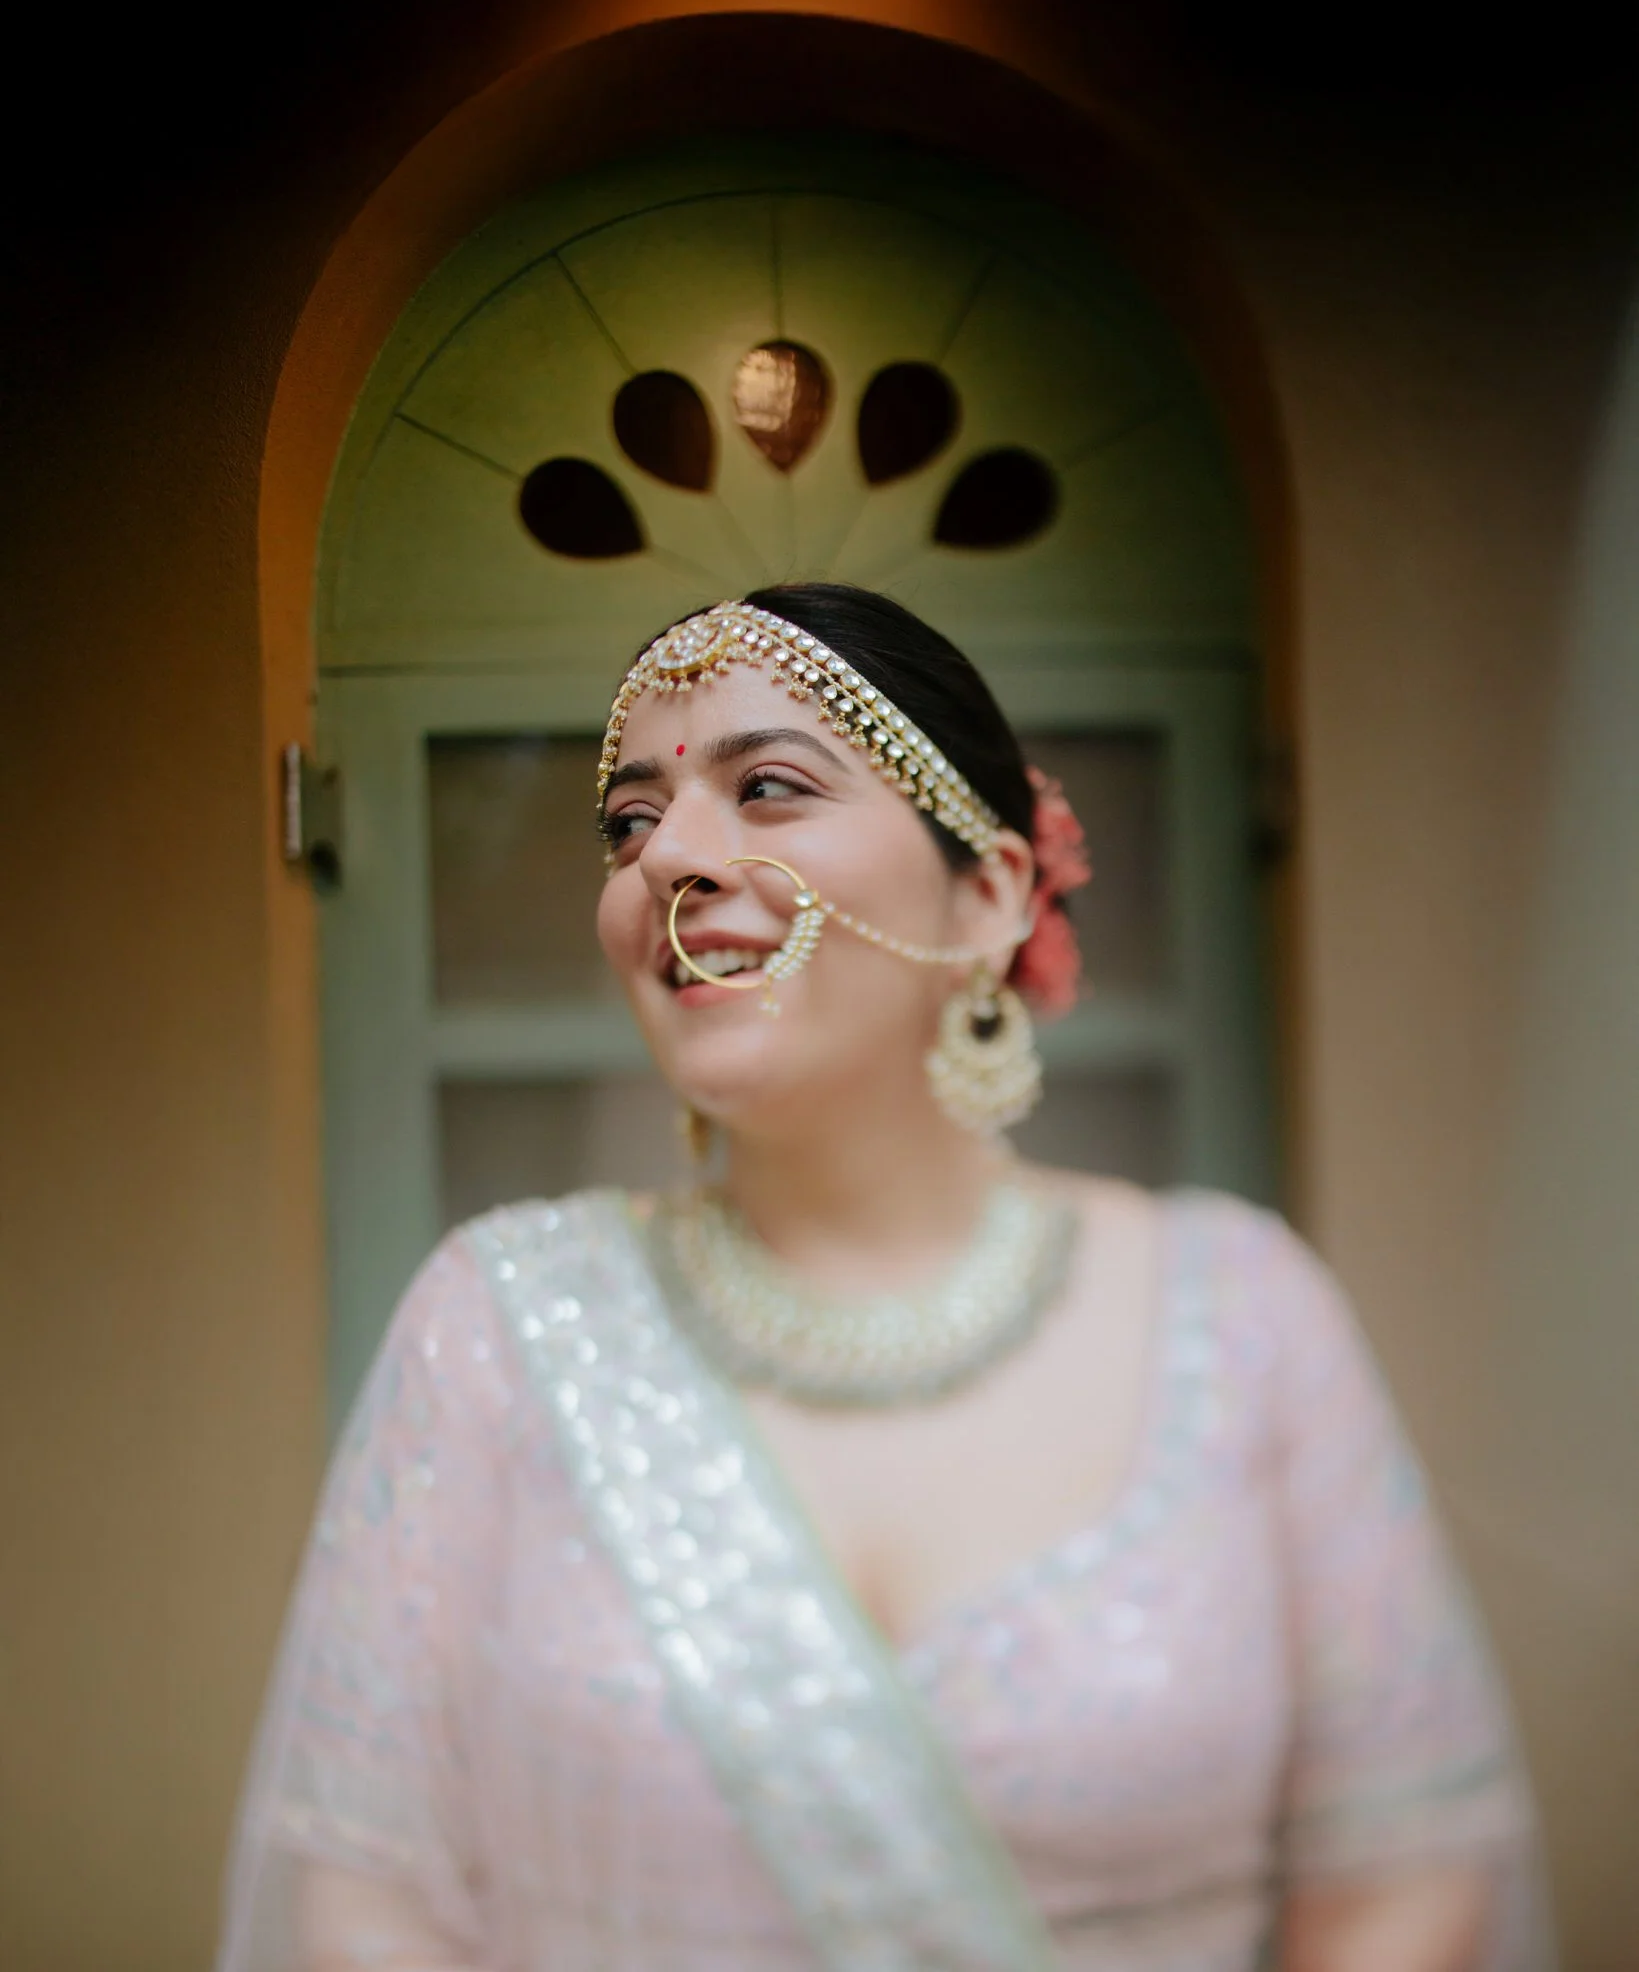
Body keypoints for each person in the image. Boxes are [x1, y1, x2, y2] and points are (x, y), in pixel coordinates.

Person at [216, 583, 1548, 1971]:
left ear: (988, 894)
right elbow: (363, 1906)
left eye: (771, 787)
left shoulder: (1244, 1316)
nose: (667, 854)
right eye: (627, 821)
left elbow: (1403, 1878)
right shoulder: (492, 1325)